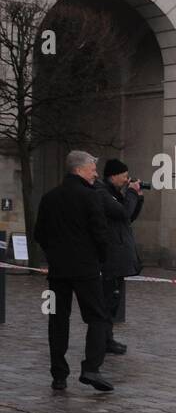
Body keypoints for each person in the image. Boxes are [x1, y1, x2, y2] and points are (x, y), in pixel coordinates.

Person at [32, 150, 114, 392]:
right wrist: (101, 259)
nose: (96, 174)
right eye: (92, 169)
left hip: (58, 272)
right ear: (79, 170)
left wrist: (54, 255)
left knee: (58, 321)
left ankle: (59, 375)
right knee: (97, 317)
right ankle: (91, 368)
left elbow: (40, 234)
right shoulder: (91, 197)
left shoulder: (49, 197)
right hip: (86, 270)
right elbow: (101, 234)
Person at [95, 159, 144, 355]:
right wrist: (131, 192)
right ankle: (104, 340)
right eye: (124, 175)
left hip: (117, 258)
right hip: (110, 258)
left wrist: (137, 197)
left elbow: (128, 217)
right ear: (113, 175)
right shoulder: (103, 193)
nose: (126, 179)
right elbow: (124, 212)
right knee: (108, 301)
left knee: (113, 301)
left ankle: (108, 338)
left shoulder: (114, 194)